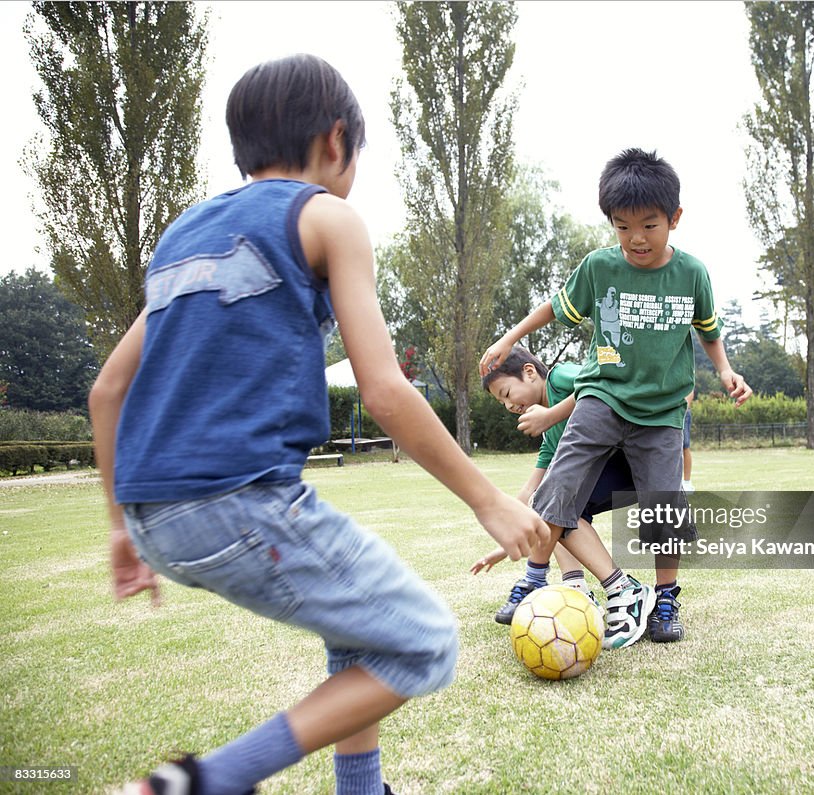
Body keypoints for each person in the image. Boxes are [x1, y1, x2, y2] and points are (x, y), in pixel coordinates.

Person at [91, 54, 547, 795]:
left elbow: (107, 389)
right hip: (242, 502)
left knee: (361, 619)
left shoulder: (183, 236)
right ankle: (199, 782)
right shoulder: (326, 216)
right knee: (426, 643)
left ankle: (360, 787)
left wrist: (120, 528)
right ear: (338, 141)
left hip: (153, 516)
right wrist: (488, 499)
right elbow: (384, 390)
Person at [480, 147, 751, 648]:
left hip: (662, 414)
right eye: (622, 227)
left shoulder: (692, 274)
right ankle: (555, 581)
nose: (636, 239)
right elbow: (551, 308)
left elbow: (709, 331)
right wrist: (504, 340)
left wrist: (727, 371)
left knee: (662, 512)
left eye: (648, 225)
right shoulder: (599, 268)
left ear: (674, 219)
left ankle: (664, 597)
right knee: (558, 488)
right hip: (600, 398)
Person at [472, 345, 636, 624]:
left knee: (550, 503)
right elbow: (529, 491)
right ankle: (576, 587)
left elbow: (598, 384)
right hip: (611, 479)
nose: (509, 406)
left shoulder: (560, 378)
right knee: (546, 499)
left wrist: (552, 414)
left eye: (507, 394)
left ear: (530, 372)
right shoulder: (550, 434)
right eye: (502, 403)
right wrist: (506, 543)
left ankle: (622, 588)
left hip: (631, 466)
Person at [683, 390, 695, 494]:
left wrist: (684, 408)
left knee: (685, 446)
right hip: (665, 414)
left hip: (682, 412)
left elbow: (690, 390)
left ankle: (687, 483)